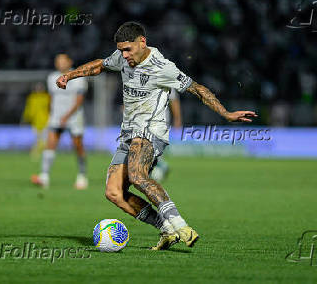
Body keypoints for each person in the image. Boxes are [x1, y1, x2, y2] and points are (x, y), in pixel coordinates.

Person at [56, 22, 257, 250]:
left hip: (152, 131)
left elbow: (197, 88)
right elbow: (101, 65)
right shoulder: (122, 58)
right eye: (121, 50)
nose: (124, 55)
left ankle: (180, 225)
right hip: (128, 133)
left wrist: (226, 114)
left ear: (142, 42)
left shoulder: (163, 67)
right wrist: (70, 75)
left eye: (128, 49)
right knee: (113, 192)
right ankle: (166, 229)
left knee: (136, 175)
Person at [31, 54, 89, 190]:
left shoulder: (78, 77)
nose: (60, 64)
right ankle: (44, 177)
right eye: (58, 61)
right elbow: (51, 98)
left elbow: (79, 101)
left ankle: (82, 176)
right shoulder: (52, 78)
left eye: (63, 61)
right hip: (57, 117)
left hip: (74, 118)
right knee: (50, 145)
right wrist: (52, 114)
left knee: (78, 146)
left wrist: (67, 116)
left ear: (70, 62)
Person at [149, 89, 181, 182]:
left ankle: (158, 169)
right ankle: (161, 166)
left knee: (154, 147)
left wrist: (177, 118)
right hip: (145, 120)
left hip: (161, 121)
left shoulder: (166, 77)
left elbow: (174, 100)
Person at [21, 82, 50, 161]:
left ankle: (40, 154)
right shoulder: (32, 98)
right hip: (35, 122)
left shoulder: (47, 97)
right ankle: (37, 154)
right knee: (37, 139)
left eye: (40, 88)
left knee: (44, 139)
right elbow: (28, 109)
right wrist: (26, 118)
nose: (39, 89)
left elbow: (50, 109)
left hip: (45, 121)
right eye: (38, 88)